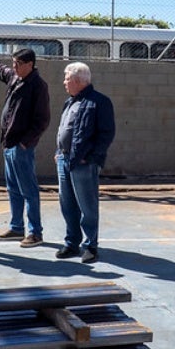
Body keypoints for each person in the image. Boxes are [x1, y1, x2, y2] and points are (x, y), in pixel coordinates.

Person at [0, 48, 50, 247]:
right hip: (9, 143)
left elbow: (42, 120)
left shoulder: (38, 86)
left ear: (29, 65)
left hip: (21, 146)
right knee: (13, 188)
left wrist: (25, 143)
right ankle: (17, 227)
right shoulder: (15, 78)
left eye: (17, 64)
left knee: (29, 190)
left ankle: (35, 232)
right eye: (13, 63)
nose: (13, 67)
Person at [54, 62, 115, 263]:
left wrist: (89, 157)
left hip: (83, 163)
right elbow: (64, 129)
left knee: (87, 206)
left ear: (78, 81)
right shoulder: (69, 102)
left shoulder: (99, 102)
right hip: (64, 160)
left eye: (67, 78)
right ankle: (72, 243)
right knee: (67, 204)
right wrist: (59, 151)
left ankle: (90, 245)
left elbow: (106, 134)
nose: (64, 82)